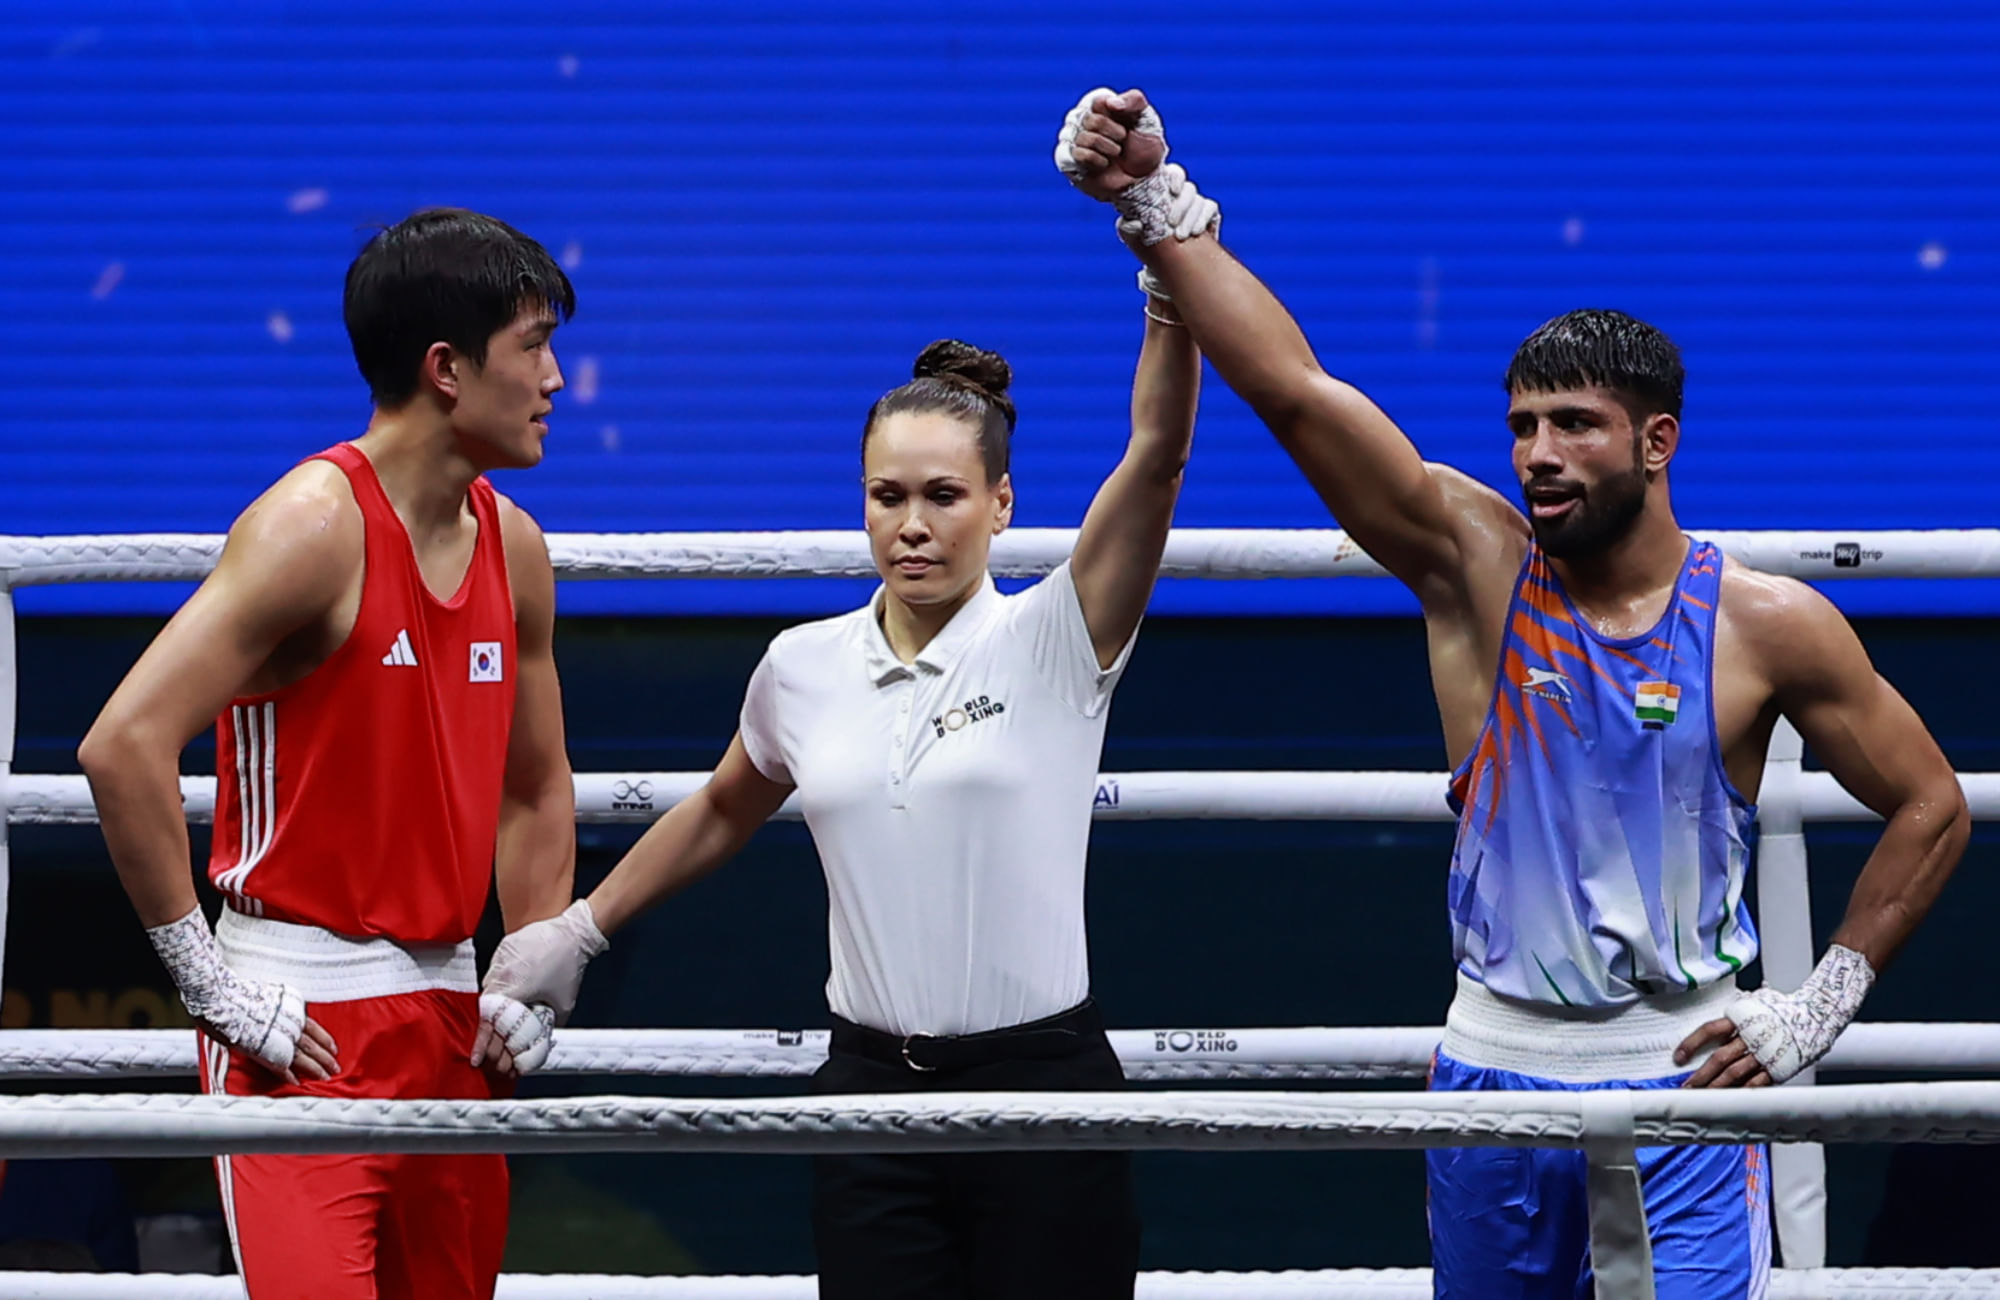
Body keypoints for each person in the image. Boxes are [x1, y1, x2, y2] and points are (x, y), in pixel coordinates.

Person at [1053, 89, 1970, 1297]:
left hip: (1682, 1073)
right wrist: (1156, 205)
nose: (1537, 452)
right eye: (1523, 424)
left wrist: (1810, 1012)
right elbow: (1293, 392)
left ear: (1656, 442)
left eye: (1575, 425)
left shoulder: (1763, 623)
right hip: (1493, 1067)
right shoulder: (1474, 568)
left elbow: (1931, 804)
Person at [482, 319, 1201, 1297]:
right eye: (887, 496)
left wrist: (1160, 264)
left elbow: (1154, 458)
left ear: (999, 504)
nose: (912, 524)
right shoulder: (801, 665)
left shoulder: (1054, 636)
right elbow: (723, 808)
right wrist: (582, 928)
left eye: (943, 496)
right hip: (868, 1098)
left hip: (1043, 1088)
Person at [78, 207, 583, 1300]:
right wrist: (209, 985)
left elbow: (536, 786)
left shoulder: (515, 545)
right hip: (294, 1022)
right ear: (446, 368)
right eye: (534, 345)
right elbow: (122, 743)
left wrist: (526, 971)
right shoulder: (314, 524)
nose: (556, 379)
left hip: (452, 1019)